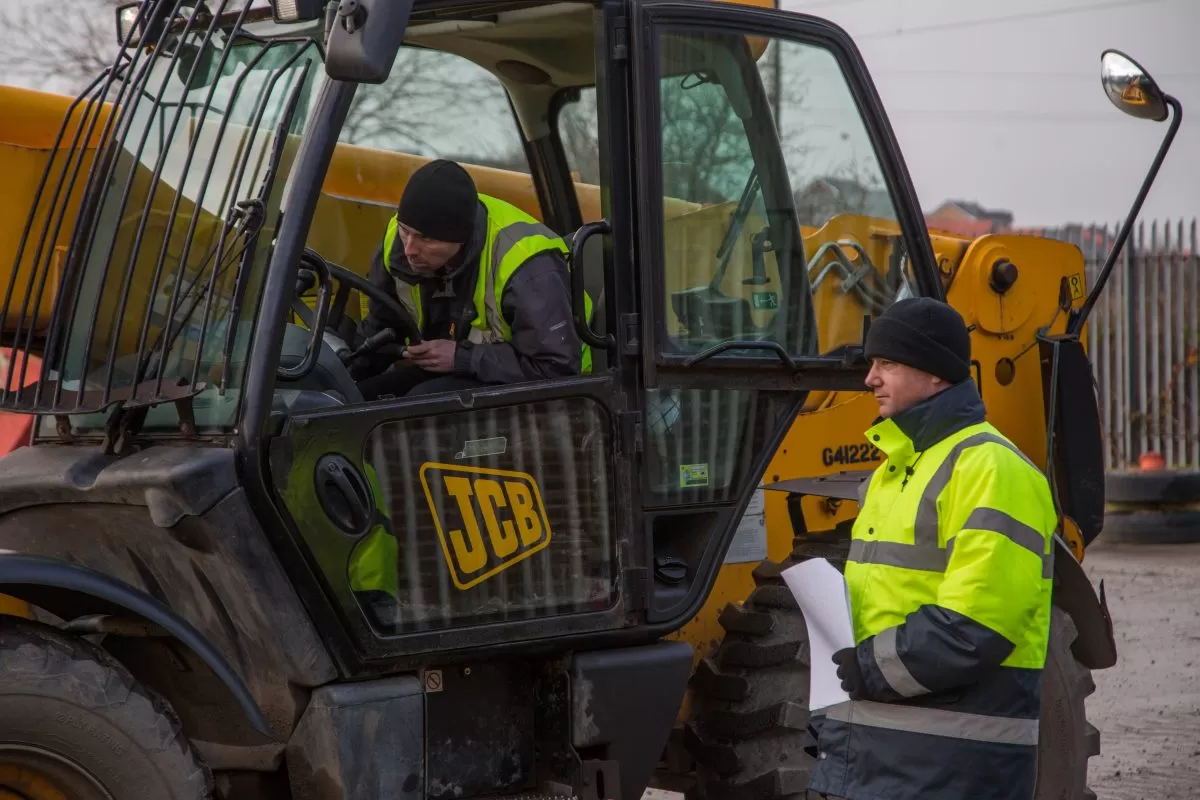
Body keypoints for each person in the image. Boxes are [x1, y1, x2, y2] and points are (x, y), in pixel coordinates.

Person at [807, 298, 1056, 800]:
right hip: (884, 759)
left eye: (888, 363)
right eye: (872, 363)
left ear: (937, 373)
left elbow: (978, 625)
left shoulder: (992, 470)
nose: (870, 379)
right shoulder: (890, 472)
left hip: (952, 766)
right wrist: (836, 717)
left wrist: (865, 669)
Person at [349, 159, 589, 399]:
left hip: (560, 391)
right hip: (462, 366)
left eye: (426, 238)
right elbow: (381, 328)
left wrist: (461, 357)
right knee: (357, 398)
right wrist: (344, 371)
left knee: (421, 404)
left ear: (461, 238)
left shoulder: (528, 267)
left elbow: (556, 369)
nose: (410, 249)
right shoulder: (398, 243)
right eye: (405, 230)